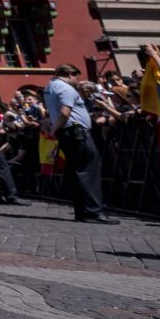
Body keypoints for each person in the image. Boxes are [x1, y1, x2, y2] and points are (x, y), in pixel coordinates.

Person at [44, 64, 116, 224]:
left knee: (77, 172)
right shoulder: (65, 88)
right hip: (76, 133)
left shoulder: (50, 86)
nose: (77, 79)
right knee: (88, 170)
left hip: (69, 133)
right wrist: (54, 129)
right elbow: (64, 112)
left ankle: (82, 211)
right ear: (69, 74)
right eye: (76, 75)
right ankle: (93, 211)